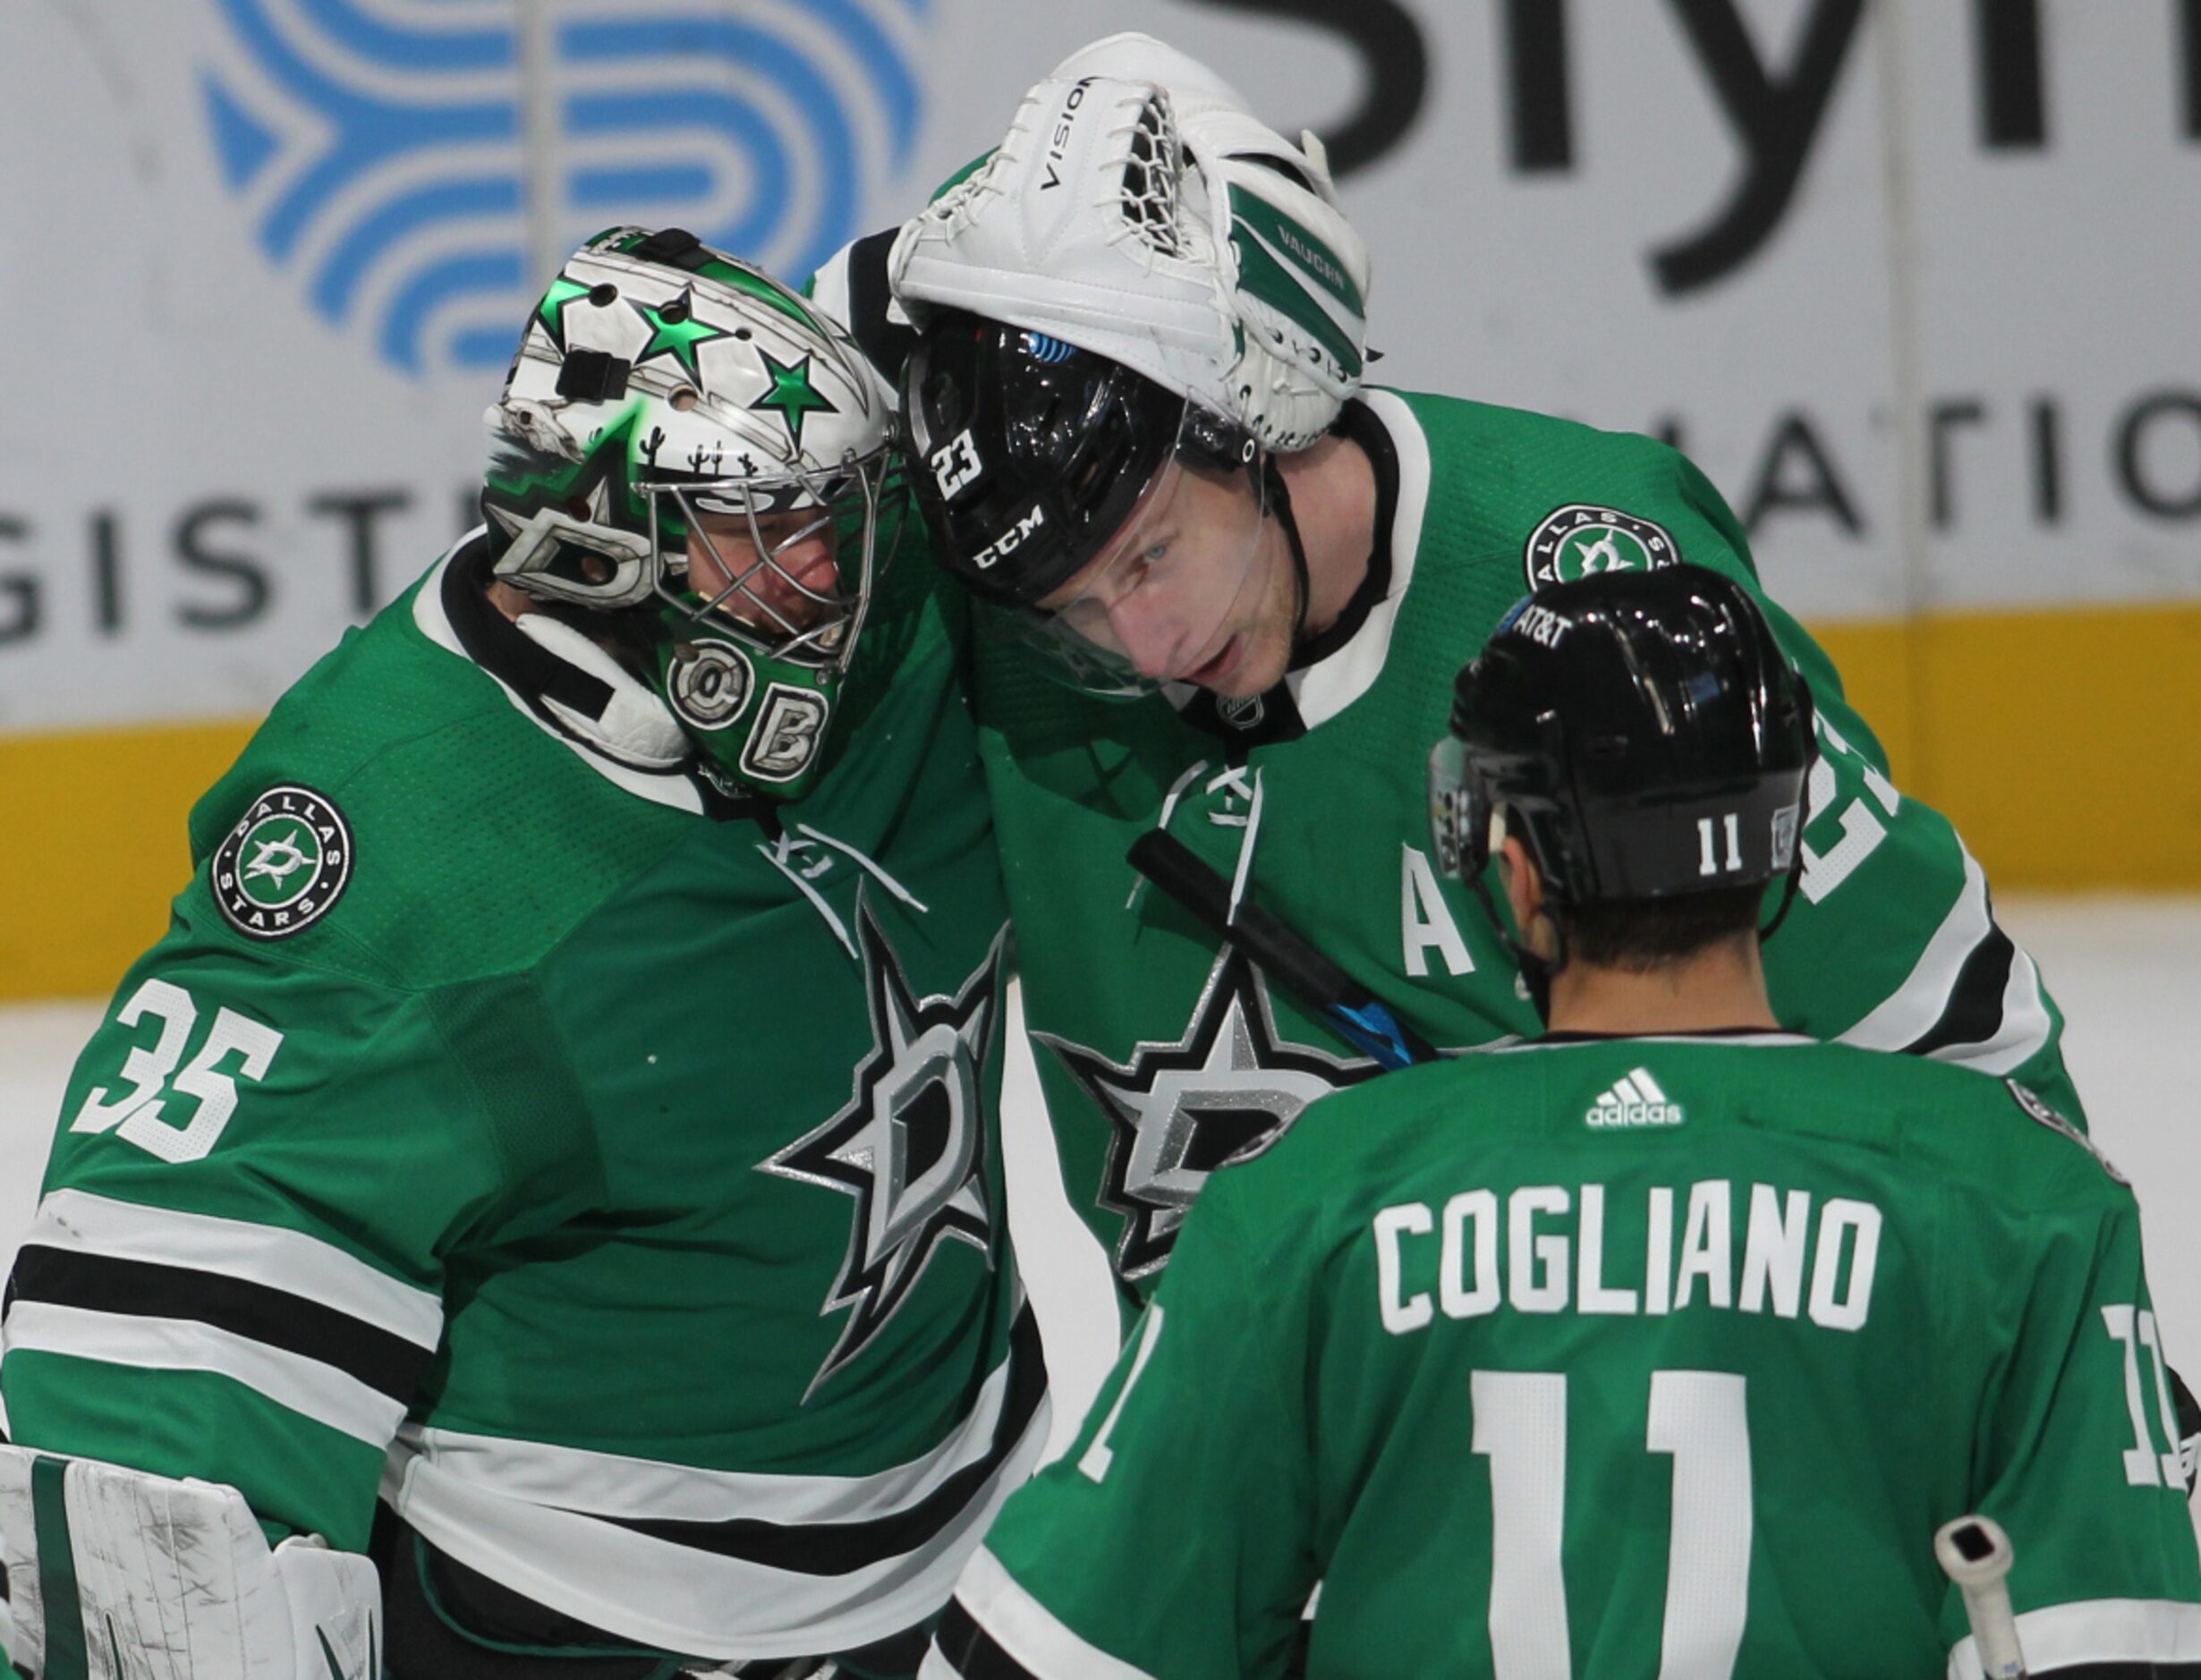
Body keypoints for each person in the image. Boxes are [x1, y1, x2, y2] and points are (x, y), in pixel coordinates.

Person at [834, 35, 2092, 1303]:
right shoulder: (1013, 602)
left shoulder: (1591, 604)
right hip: (1246, 1472)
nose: (1143, 644)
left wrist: (2078, 1378)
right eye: (1078, 609)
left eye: (1155, 552)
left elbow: (1953, 1038)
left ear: (1258, 398)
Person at [0, 227, 1045, 1680]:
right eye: (768, 531)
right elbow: (145, 1409)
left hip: (989, 1557)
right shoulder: (403, 854)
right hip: (591, 1635)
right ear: (602, 533)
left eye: (843, 516)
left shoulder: (892, 634)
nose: (831, 574)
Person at [919, 567, 2201, 1678]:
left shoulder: (1308, 1199)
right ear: (1786, 846)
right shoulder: (2024, 1195)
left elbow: (1057, 1648)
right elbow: (2113, 1642)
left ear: (1514, 868)